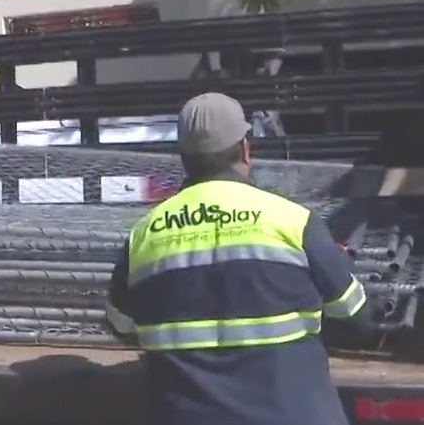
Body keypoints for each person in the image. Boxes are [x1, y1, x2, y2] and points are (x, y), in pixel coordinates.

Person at [106, 92, 370, 425]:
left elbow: (120, 324)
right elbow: (358, 318)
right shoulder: (292, 221)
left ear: (183, 157)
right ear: (245, 148)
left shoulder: (144, 235)